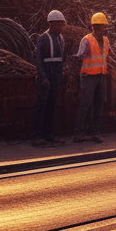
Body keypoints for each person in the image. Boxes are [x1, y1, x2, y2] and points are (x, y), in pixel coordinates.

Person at [31, 10, 67, 147]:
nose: (59, 27)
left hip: (56, 72)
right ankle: (36, 135)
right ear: (50, 24)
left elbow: (62, 58)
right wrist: (43, 77)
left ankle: (47, 134)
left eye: (60, 24)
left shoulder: (61, 38)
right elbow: (38, 60)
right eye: (56, 24)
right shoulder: (43, 38)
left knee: (51, 104)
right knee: (40, 105)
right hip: (46, 72)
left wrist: (60, 75)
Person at [73, 12, 110, 144]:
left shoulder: (105, 40)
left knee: (99, 105)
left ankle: (95, 132)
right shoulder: (86, 40)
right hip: (88, 76)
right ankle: (78, 132)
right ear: (97, 26)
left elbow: (105, 56)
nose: (104, 28)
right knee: (85, 104)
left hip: (101, 75)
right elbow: (79, 56)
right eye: (103, 26)